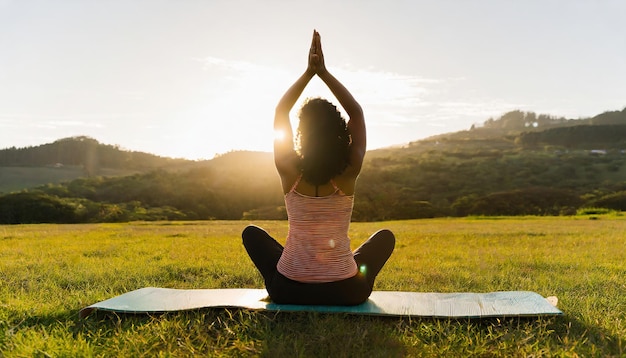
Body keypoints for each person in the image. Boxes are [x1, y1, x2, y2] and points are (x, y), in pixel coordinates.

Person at [242, 30, 395, 305]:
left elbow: (280, 112)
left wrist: (308, 73)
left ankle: (295, 273)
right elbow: (357, 113)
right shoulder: (348, 172)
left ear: (302, 133)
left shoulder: (289, 171)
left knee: (252, 234)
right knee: (384, 238)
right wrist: (323, 72)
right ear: (338, 132)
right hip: (347, 292)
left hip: (288, 291)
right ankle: (338, 270)